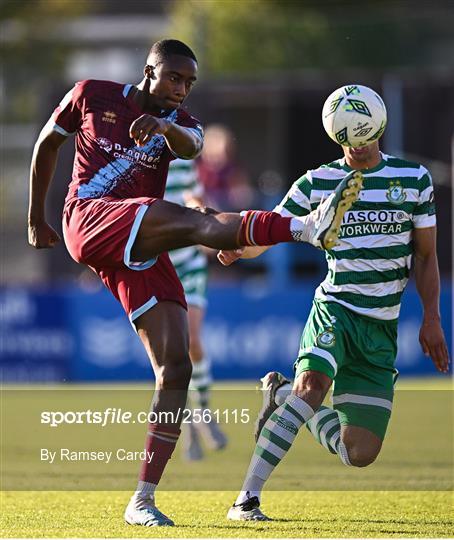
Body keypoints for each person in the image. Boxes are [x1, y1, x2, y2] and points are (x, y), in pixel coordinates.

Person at [27, 39, 361, 527]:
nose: (182, 89)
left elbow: (191, 145)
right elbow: (46, 143)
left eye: (189, 83)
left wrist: (164, 127)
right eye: (174, 79)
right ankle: (307, 228)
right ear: (149, 72)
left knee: (176, 367)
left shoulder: (182, 124)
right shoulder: (90, 94)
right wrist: (36, 217)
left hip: (137, 243)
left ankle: (141, 499)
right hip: (88, 219)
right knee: (192, 219)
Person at [218, 86, 450, 521]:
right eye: (349, 136)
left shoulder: (413, 179)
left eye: (364, 134)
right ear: (336, 134)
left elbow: (426, 255)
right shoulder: (316, 181)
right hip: (336, 307)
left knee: (359, 453)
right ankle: (245, 500)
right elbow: (272, 232)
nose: (358, 144)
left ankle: (281, 393)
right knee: (312, 388)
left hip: (381, 326)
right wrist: (238, 248)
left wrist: (431, 318)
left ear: (378, 125)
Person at [164, 157, 227, 460]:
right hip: (158, 268)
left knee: (192, 341)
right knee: (172, 355)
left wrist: (207, 226)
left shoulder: (180, 161)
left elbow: (194, 195)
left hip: (188, 265)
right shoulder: (132, 164)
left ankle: (202, 411)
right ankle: (188, 425)